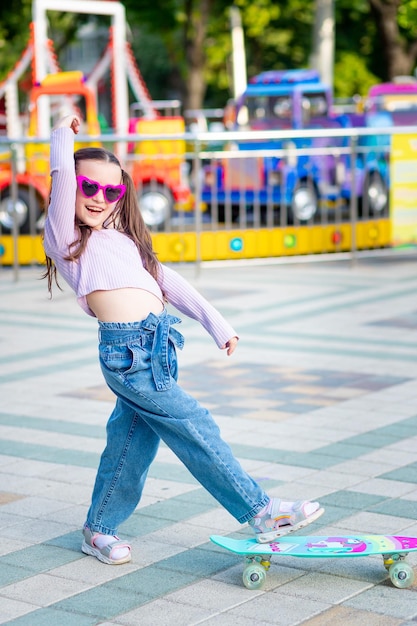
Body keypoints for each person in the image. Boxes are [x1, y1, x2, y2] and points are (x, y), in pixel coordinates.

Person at [43, 114, 324, 565]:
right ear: (72, 187)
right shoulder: (67, 239)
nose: (99, 197)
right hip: (126, 354)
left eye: (111, 191)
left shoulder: (124, 241)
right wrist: (61, 137)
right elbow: (59, 192)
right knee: (195, 424)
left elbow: (168, 281)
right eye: (87, 186)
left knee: (130, 445)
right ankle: (261, 510)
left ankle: (98, 529)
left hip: (158, 348)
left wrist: (217, 324)